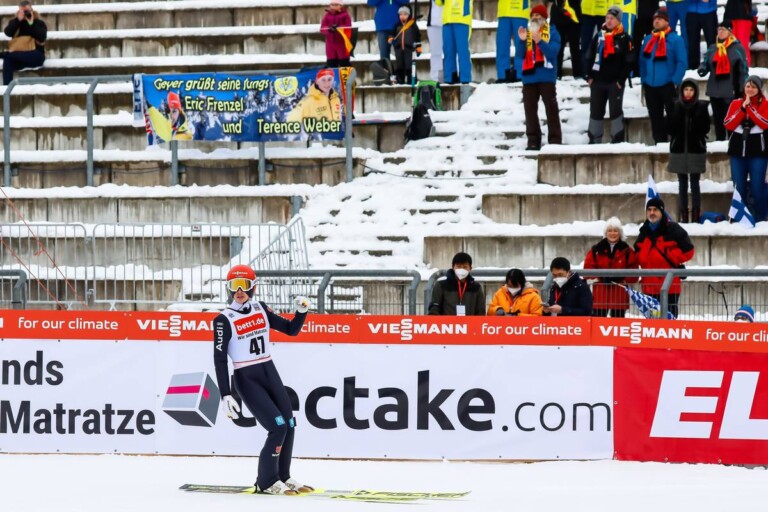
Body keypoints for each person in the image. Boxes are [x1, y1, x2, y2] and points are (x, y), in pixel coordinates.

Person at [212, 265, 312, 495]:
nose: (239, 291)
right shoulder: (223, 319)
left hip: (269, 370)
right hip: (247, 377)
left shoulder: (261, 308)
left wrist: (301, 312)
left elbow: (291, 330)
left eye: (244, 285)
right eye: (234, 286)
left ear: (253, 286)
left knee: (289, 423)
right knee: (276, 427)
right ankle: (266, 481)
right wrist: (225, 394)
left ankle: (283, 476)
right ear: (228, 289)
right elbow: (219, 360)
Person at [633, 197, 695, 318]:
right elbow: (637, 255)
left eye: (655, 210)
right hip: (649, 287)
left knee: (669, 324)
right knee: (651, 326)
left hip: (670, 287)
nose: (652, 213)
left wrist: (671, 256)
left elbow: (689, 251)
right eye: (649, 210)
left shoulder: (674, 229)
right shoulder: (643, 232)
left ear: (661, 211)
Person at [515, 4, 562, 151]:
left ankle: (555, 139)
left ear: (544, 18)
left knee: (551, 109)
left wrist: (540, 41)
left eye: (538, 16)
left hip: (547, 77)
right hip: (529, 77)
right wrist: (522, 40)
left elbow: (553, 53)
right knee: (529, 110)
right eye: (533, 16)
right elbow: (520, 54)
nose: (535, 18)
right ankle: (533, 140)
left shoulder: (553, 32)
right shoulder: (528, 32)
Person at [586, 5, 633, 143]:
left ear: (618, 20)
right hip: (597, 81)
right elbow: (588, 55)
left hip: (615, 82)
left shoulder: (625, 38)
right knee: (595, 112)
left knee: (615, 112)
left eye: (612, 18)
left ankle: (617, 141)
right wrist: (588, 76)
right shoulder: (599, 36)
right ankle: (594, 140)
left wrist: (621, 80)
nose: (609, 21)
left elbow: (630, 61)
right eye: (607, 18)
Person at [724, 75, 768, 223]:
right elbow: (728, 123)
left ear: (759, 90)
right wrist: (743, 108)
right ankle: (738, 220)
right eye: (748, 86)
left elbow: (764, 123)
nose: (750, 89)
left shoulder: (765, 104)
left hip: (758, 154)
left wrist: (750, 107)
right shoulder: (736, 103)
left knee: (757, 188)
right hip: (737, 153)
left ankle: (761, 219)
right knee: (739, 188)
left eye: (753, 87)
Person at [639, 8, 686, 144]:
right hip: (650, 85)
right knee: (655, 117)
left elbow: (682, 62)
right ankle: (659, 143)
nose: (657, 21)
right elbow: (642, 61)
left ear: (667, 21)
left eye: (660, 19)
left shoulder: (676, 39)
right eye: (655, 19)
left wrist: (675, 81)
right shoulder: (648, 39)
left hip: (668, 84)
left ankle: (675, 143)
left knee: (673, 116)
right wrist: (644, 79)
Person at [667, 79, 710, 223]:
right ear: (681, 91)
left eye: (691, 90)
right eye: (686, 90)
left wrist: (695, 117)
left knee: (695, 183)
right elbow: (671, 129)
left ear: (695, 92)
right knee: (682, 184)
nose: (688, 93)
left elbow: (705, 128)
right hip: (679, 149)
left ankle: (696, 214)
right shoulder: (675, 106)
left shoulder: (702, 107)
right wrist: (677, 111)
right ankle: (684, 215)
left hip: (696, 149)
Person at [697, 20, 748, 141]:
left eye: (723, 29)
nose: (720, 32)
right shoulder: (713, 48)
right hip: (714, 90)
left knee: (731, 120)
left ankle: (732, 142)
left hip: (731, 91)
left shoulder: (737, 48)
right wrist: (702, 69)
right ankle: (720, 141)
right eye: (719, 29)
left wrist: (742, 89)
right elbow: (705, 63)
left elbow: (743, 70)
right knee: (718, 119)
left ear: (730, 32)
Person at [583, 217, 639, 317]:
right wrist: (600, 278)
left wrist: (621, 279)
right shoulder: (596, 250)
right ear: (605, 232)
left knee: (617, 325)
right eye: (610, 231)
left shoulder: (627, 251)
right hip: (601, 293)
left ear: (620, 232)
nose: (612, 233)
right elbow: (587, 269)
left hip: (619, 293)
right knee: (598, 324)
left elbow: (634, 272)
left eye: (615, 231)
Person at [2, 0, 46, 86]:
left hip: (35, 56)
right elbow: (8, 32)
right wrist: (18, 20)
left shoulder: (39, 23)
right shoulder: (16, 23)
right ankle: (7, 89)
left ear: (32, 10)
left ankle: (5, 54)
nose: (25, 13)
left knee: (9, 56)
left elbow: (42, 37)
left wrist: (31, 24)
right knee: (8, 61)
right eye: (23, 11)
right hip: (18, 57)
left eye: (27, 11)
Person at [436, 0, 474, 84]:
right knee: (448, 51)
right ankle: (450, 77)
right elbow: (439, 2)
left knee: (462, 50)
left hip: (462, 17)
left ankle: (465, 78)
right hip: (448, 19)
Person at [497, 0, 531, 83]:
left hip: (520, 9)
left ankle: (520, 73)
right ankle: (503, 75)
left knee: (521, 44)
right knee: (502, 44)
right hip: (504, 11)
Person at [548, 0, 583, 79]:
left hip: (574, 16)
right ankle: (556, 73)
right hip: (558, 17)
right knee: (558, 47)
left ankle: (577, 74)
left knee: (575, 48)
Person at [388, 5, 422, 85]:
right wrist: (390, 39)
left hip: (409, 49)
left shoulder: (413, 26)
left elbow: (418, 36)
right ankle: (400, 79)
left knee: (409, 65)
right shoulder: (397, 25)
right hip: (399, 49)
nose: (402, 17)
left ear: (409, 15)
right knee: (399, 65)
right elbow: (392, 34)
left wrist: (418, 47)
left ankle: (412, 80)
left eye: (405, 14)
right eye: (401, 15)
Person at [686, 0, 717, 70]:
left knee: (711, 40)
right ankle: (693, 66)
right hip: (691, 11)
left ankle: (712, 64)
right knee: (692, 41)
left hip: (709, 10)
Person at [321, 0, 353, 67]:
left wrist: (339, 28)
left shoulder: (345, 15)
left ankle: (346, 76)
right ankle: (333, 76)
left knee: (344, 62)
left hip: (342, 43)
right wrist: (329, 29)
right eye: (332, 5)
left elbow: (348, 27)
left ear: (340, 6)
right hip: (330, 44)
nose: (334, 7)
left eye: (336, 5)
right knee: (331, 63)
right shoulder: (327, 16)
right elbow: (322, 28)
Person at [723, 0, 753, 65]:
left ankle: (745, 67)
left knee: (742, 45)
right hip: (730, 15)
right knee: (730, 44)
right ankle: (731, 66)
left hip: (744, 16)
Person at [427, 0, 445, 82]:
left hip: (450, 21)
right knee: (435, 53)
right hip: (434, 23)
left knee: (452, 52)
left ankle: (452, 76)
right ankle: (435, 79)